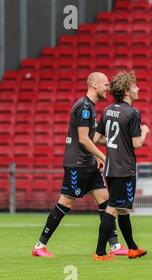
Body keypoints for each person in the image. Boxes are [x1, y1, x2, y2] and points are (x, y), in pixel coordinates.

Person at [32, 72, 127, 257]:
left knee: (105, 199)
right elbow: (83, 139)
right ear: (95, 86)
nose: (108, 89)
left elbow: (90, 139)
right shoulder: (84, 107)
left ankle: (114, 245)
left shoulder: (90, 107)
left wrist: (98, 157)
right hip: (77, 164)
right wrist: (104, 157)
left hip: (88, 163)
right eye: (106, 85)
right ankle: (39, 245)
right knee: (66, 202)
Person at [92, 71, 149, 260]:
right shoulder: (133, 113)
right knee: (113, 208)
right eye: (134, 86)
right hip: (124, 168)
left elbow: (97, 138)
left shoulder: (108, 110)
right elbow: (137, 143)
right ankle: (100, 252)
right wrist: (145, 132)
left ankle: (132, 248)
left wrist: (114, 143)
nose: (138, 88)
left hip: (111, 166)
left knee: (123, 208)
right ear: (126, 90)